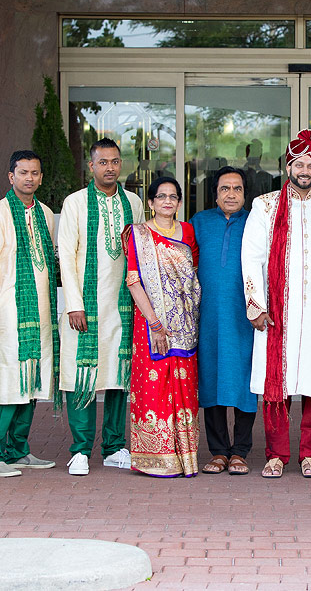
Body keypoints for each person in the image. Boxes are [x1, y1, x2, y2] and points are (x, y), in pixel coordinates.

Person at [242, 129, 311, 479]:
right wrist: (255, 304)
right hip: (275, 313)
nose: (304, 171)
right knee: (278, 383)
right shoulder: (265, 205)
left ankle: (309, 454)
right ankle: (276, 454)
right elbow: (251, 256)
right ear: (288, 166)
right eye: (298, 164)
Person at [56, 138, 145, 476]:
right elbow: (66, 254)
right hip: (86, 306)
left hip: (123, 304)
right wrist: (74, 304)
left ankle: (113, 447)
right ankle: (80, 450)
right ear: (90, 166)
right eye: (103, 162)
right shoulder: (75, 203)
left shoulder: (133, 202)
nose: (110, 167)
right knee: (84, 376)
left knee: (119, 376)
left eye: (115, 161)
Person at [0, 150, 59, 477]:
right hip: (8, 312)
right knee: (5, 380)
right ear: (11, 176)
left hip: (40, 312)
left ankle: (19, 450)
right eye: (23, 172)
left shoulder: (46, 213)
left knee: (32, 379)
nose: (30, 178)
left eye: (35, 172)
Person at [124, 176, 201, 477]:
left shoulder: (188, 232)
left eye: (173, 197)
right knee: (155, 387)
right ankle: (156, 458)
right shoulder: (139, 234)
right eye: (161, 196)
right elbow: (133, 280)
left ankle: (185, 456)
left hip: (185, 324)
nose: (167, 201)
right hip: (150, 324)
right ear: (151, 202)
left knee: (185, 387)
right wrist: (155, 323)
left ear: (180, 202)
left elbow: (192, 277)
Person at [192, 166, 256, 476]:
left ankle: (241, 451)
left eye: (237, 189)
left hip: (245, 317)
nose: (231, 194)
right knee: (212, 380)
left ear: (246, 194)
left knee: (245, 380)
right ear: (215, 194)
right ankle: (218, 451)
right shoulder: (199, 224)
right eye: (224, 189)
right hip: (209, 318)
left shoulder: (257, 222)